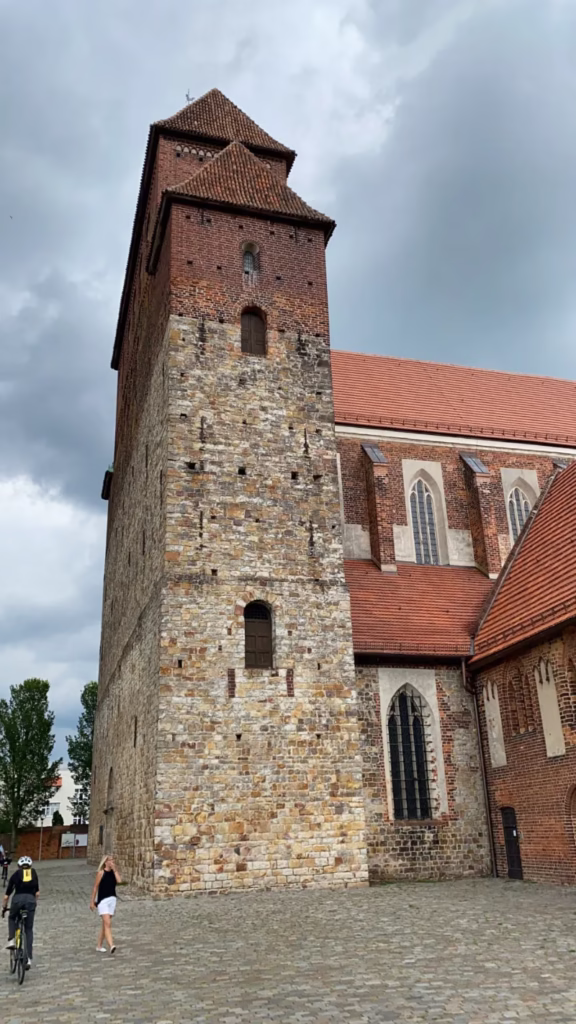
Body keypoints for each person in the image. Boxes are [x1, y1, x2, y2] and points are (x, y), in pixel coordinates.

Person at [2, 856, 39, 969]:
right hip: (30, 901)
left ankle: (12, 939)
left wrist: (4, 907)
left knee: (12, 918)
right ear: (30, 866)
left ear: (19, 866)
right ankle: (28, 959)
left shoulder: (16, 875)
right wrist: (34, 903)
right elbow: (37, 893)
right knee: (28, 929)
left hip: (17, 900)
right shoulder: (33, 873)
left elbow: (6, 895)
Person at [90, 854, 121, 954]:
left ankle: (99, 946)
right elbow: (95, 888)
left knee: (105, 924)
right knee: (108, 923)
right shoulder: (101, 873)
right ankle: (111, 945)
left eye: (113, 860)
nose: (112, 862)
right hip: (103, 900)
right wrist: (92, 901)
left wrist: (115, 870)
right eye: (110, 860)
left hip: (112, 900)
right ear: (106, 862)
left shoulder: (113, 872)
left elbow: (120, 882)